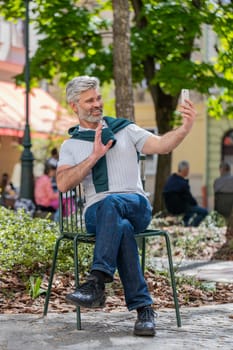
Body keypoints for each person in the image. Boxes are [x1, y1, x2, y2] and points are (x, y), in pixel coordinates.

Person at [56, 76, 197, 336]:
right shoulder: (71, 145)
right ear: (74, 106)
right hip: (97, 213)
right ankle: (144, 309)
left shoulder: (125, 130)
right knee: (118, 225)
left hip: (135, 204)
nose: (97, 104)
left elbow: (162, 145)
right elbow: (63, 183)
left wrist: (185, 128)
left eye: (98, 98)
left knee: (115, 207)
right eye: (90, 100)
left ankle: (96, 282)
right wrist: (94, 156)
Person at [163, 160, 208, 227]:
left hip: (169, 207)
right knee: (204, 211)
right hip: (181, 207)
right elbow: (189, 198)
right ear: (185, 170)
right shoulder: (182, 183)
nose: (188, 171)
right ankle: (192, 226)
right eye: (188, 169)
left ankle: (184, 224)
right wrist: (196, 204)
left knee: (189, 208)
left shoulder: (170, 179)